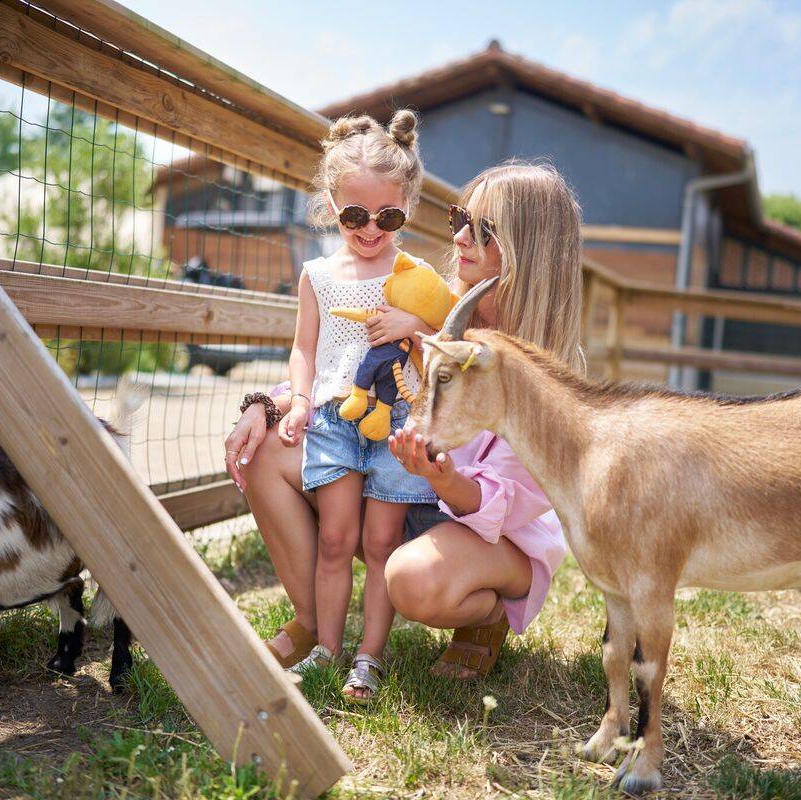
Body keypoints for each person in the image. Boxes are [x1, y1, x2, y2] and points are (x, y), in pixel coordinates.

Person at [226, 160, 585, 683]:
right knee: (264, 452)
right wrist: (270, 405)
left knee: (411, 580)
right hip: (409, 487)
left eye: (482, 230)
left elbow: (505, 505)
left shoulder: (548, 377)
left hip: (488, 532)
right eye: (460, 218)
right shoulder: (431, 303)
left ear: (528, 250)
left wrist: (444, 477)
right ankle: (312, 622)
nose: (459, 237)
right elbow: (350, 368)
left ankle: (488, 616)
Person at [273, 109, 443, 702]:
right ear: (331, 205)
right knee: (335, 540)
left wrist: (414, 324)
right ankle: (326, 647)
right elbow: (304, 347)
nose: (371, 229)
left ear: (408, 207)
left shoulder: (416, 275)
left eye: (388, 216)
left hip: (397, 422)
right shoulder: (318, 274)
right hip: (332, 419)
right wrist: (298, 402)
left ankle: (369, 657)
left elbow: (445, 343)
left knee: (380, 544)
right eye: (354, 216)